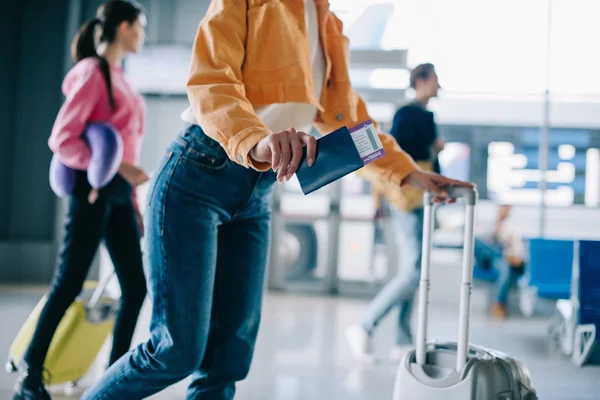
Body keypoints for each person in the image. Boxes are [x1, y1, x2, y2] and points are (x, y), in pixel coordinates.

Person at [83, 2, 472, 399]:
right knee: (176, 350)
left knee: (228, 360)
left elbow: (351, 122)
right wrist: (256, 138)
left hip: (257, 192)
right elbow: (211, 82)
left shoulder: (327, 24)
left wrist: (409, 172)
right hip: (198, 174)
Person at [12, 2, 149, 399]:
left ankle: (115, 381)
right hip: (94, 192)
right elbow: (62, 138)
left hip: (120, 196)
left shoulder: (120, 76)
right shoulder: (93, 73)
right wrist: (112, 170)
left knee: (135, 287)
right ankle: (30, 376)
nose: (142, 35)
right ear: (123, 27)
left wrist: (133, 200)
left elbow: (126, 147)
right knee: (69, 282)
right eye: (139, 27)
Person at [346, 63, 446, 364]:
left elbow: (422, 157)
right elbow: (393, 156)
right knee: (413, 270)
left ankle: (403, 340)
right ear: (423, 81)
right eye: (436, 80)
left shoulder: (427, 116)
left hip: (421, 199)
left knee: (414, 270)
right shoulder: (407, 113)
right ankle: (365, 326)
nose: (439, 86)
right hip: (405, 199)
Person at [473, 204, 525, 319]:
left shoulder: (512, 229)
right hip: (485, 258)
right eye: (502, 207)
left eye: (506, 208)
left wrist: (508, 255)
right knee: (476, 241)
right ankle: (499, 253)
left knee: (504, 268)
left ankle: (499, 304)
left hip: (499, 260)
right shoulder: (488, 225)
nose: (503, 210)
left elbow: (517, 252)